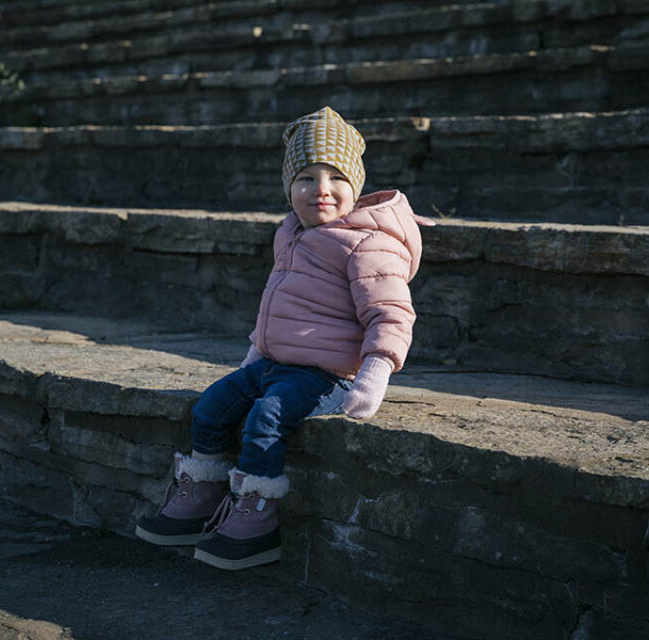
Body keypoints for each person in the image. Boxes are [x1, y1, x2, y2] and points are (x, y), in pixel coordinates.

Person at [135, 106, 430, 570]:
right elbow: (277, 304)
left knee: (264, 418)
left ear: (355, 186)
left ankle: (256, 515)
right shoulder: (291, 233)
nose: (321, 190)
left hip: (324, 375)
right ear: (289, 188)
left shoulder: (368, 242)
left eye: (335, 177)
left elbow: (390, 313)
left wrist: (372, 377)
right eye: (306, 178)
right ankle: (204, 490)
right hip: (272, 363)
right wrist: (255, 353)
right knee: (212, 406)